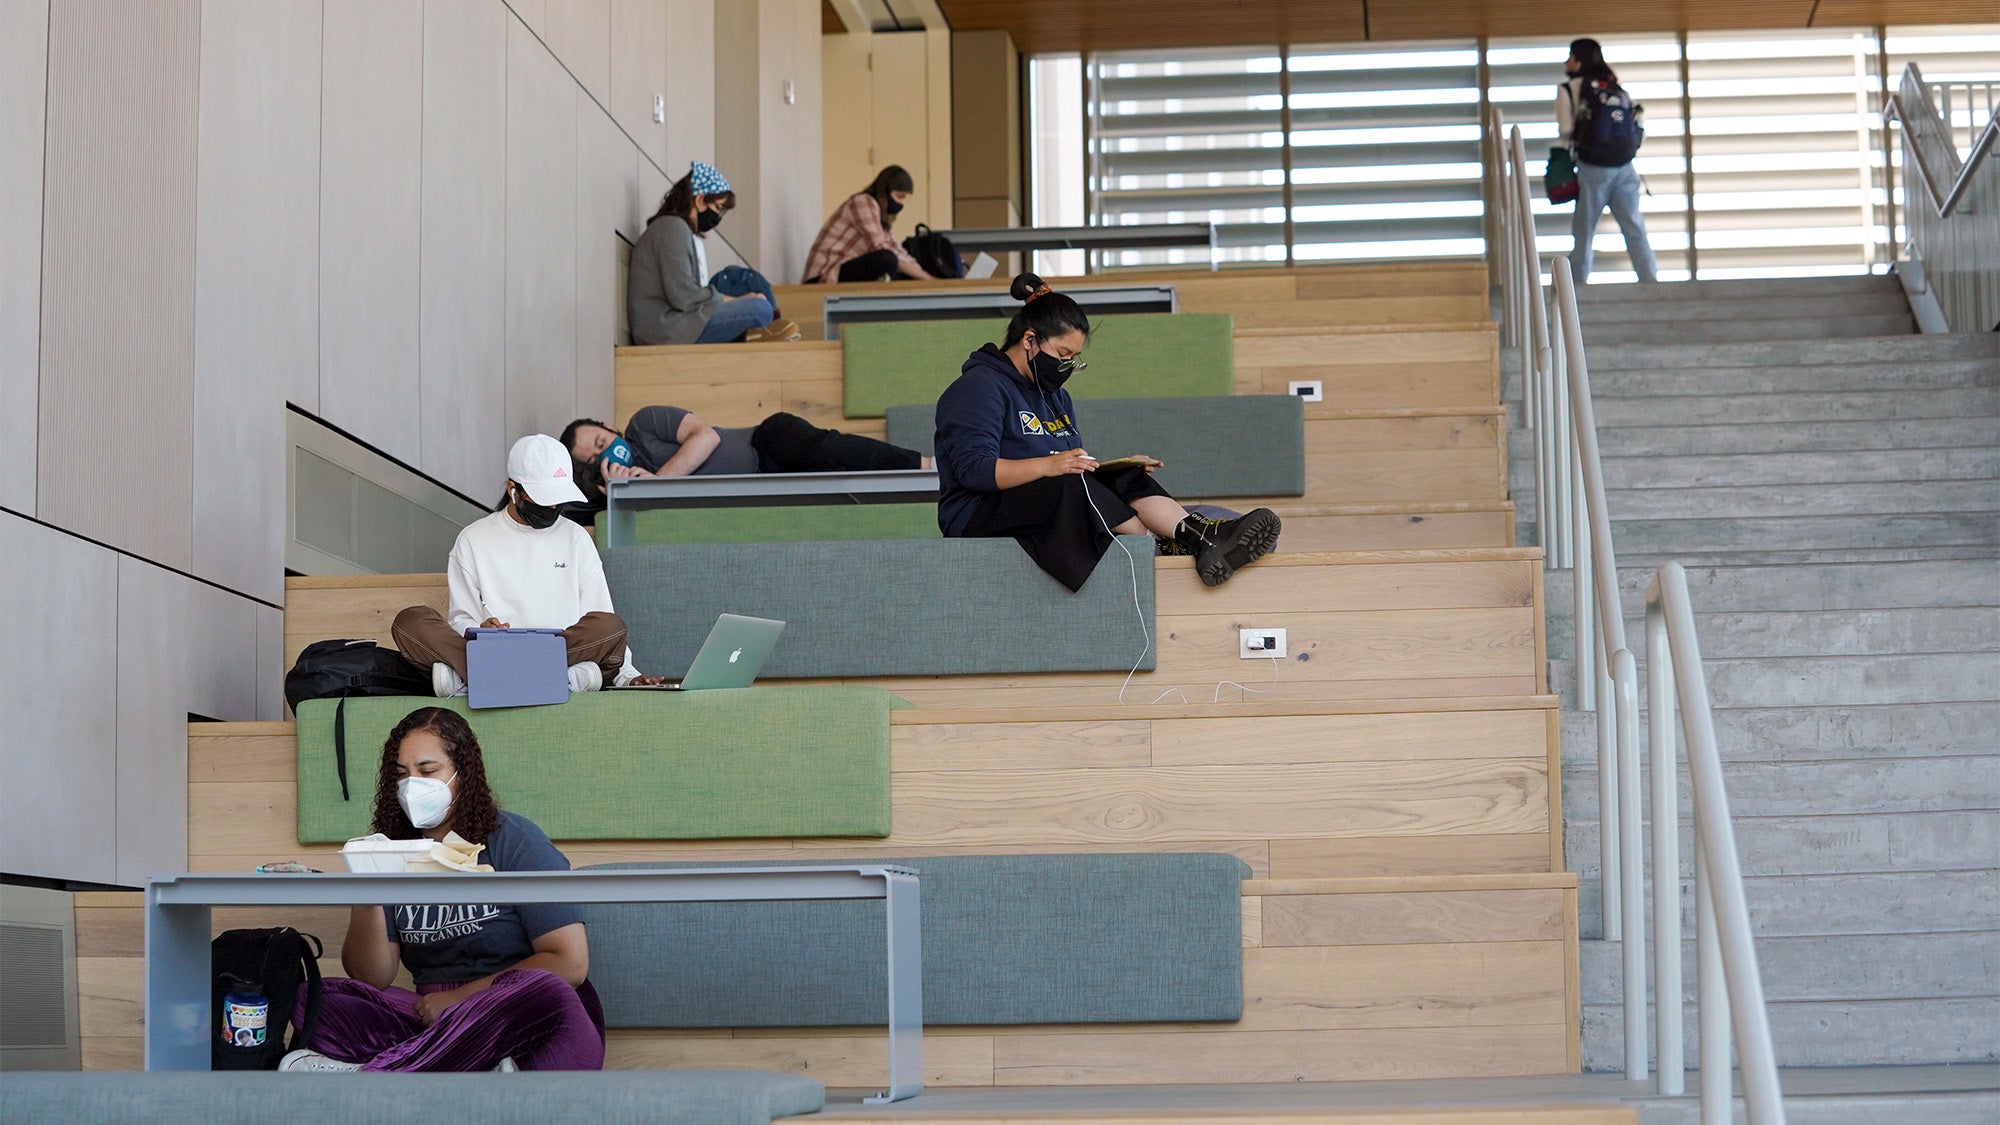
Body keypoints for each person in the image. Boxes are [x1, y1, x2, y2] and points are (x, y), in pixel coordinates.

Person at [277, 707, 605, 1073]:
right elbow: (373, 977)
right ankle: (470, 1067)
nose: (411, 786)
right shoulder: (391, 850)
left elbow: (569, 962)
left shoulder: (515, 840)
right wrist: (368, 891)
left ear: (463, 774)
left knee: (546, 991)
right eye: (401, 775)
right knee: (315, 1000)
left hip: (517, 1009)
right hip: (430, 1013)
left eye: (428, 771)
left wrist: (460, 1000)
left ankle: (372, 1074)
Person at [933, 272, 1282, 592]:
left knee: (1119, 473)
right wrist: (1048, 466)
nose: (1067, 365)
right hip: (978, 515)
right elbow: (974, 471)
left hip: (1044, 495)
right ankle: (1159, 546)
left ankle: (1197, 535)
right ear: (1029, 340)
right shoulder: (978, 388)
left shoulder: (1055, 397)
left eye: (1074, 357)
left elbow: (1072, 463)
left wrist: (1112, 467)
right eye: (1063, 354)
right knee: (1069, 483)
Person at [391, 434, 665, 695]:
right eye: (543, 499)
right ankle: (563, 680)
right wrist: (480, 630)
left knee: (610, 626)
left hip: (563, 651)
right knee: (410, 621)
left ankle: (475, 680)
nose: (552, 507)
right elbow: (461, 620)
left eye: (557, 499)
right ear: (513, 490)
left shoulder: (576, 537)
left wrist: (628, 676)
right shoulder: (473, 539)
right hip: (497, 651)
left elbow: (601, 617)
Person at [559, 407, 931, 500]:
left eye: (600, 441)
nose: (603, 452)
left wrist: (658, 481)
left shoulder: (643, 423)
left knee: (831, 449)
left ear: (608, 428)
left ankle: (925, 466)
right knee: (843, 486)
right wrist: (628, 493)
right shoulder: (628, 487)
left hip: (766, 441)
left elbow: (705, 437)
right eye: (593, 458)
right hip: (767, 486)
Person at [628, 160, 801, 344]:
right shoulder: (672, 227)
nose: (718, 218)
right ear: (700, 200)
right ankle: (757, 334)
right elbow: (684, 296)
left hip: (672, 325)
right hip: (667, 328)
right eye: (718, 208)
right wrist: (731, 299)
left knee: (750, 297)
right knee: (760, 307)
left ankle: (755, 335)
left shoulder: (676, 229)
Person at [1557, 38, 1657, 284]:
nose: (1566, 62)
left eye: (1571, 56)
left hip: (1593, 168)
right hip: (1625, 167)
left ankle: (1578, 286)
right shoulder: (1614, 87)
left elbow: (1566, 129)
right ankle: (1651, 282)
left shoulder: (1570, 89)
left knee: (1585, 230)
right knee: (1634, 227)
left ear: (1579, 60)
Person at [801, 165, 934, 284]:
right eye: (899, 196)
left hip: (841, 271)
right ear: (885, 190)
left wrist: (927, 277)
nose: (901, 203)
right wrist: (926, 279)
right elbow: (881, 247)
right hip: (823, 276)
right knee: (887, 260)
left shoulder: (880, 218)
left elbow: (898, 250)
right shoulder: (863, 202)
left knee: (905, 272)